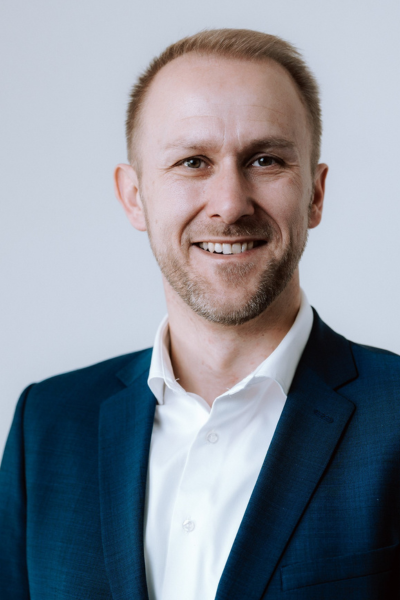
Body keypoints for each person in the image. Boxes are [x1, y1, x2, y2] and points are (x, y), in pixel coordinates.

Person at [0, 28, 399, 600]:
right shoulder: (47, 426)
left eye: (265, 160)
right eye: (192, 162)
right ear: (134, 196)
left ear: (314, 193)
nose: (230, 205)